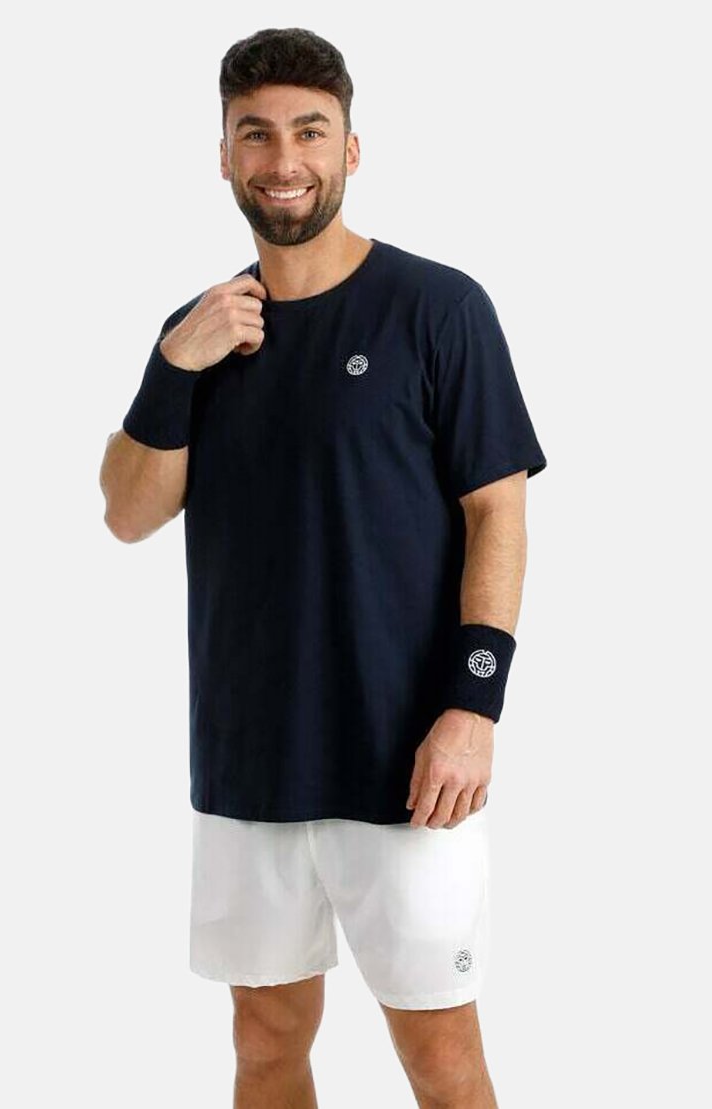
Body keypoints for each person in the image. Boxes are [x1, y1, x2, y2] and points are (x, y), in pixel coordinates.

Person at [99, 26, 547, 1109]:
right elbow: (127, 511)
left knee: (440, 1057)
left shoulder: (438, 308)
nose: (282, 158)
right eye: (255, 134)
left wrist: (473, 706)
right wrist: (175, 363)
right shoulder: (198, 330)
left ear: (351, 149)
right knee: (263, 1042)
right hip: (247, 763)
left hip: (407, 765)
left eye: (309, 131)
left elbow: (496, 511)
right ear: (222, 156)